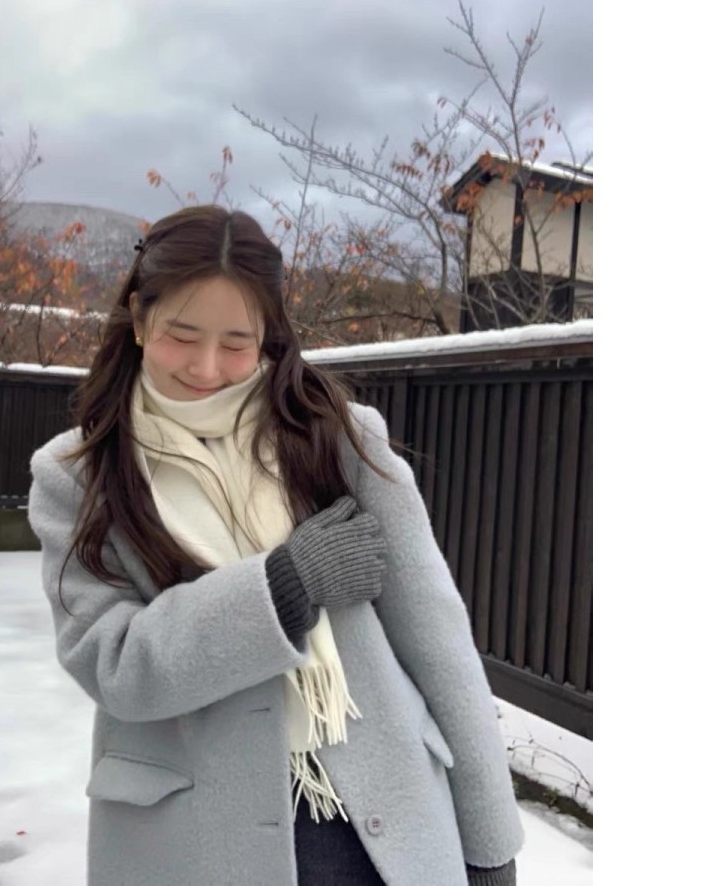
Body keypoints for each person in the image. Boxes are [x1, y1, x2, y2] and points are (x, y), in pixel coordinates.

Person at [27, 205, 524, 886]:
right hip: (194, 843)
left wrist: (490, 841)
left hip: (385, 823)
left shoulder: (336, 437)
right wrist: (283, 587)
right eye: (182, 335)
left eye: (237, 342)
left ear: (268, 336)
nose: (207, 367)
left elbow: (438, 643)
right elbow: (113, 664)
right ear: (139, 319)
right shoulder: (78, 476)